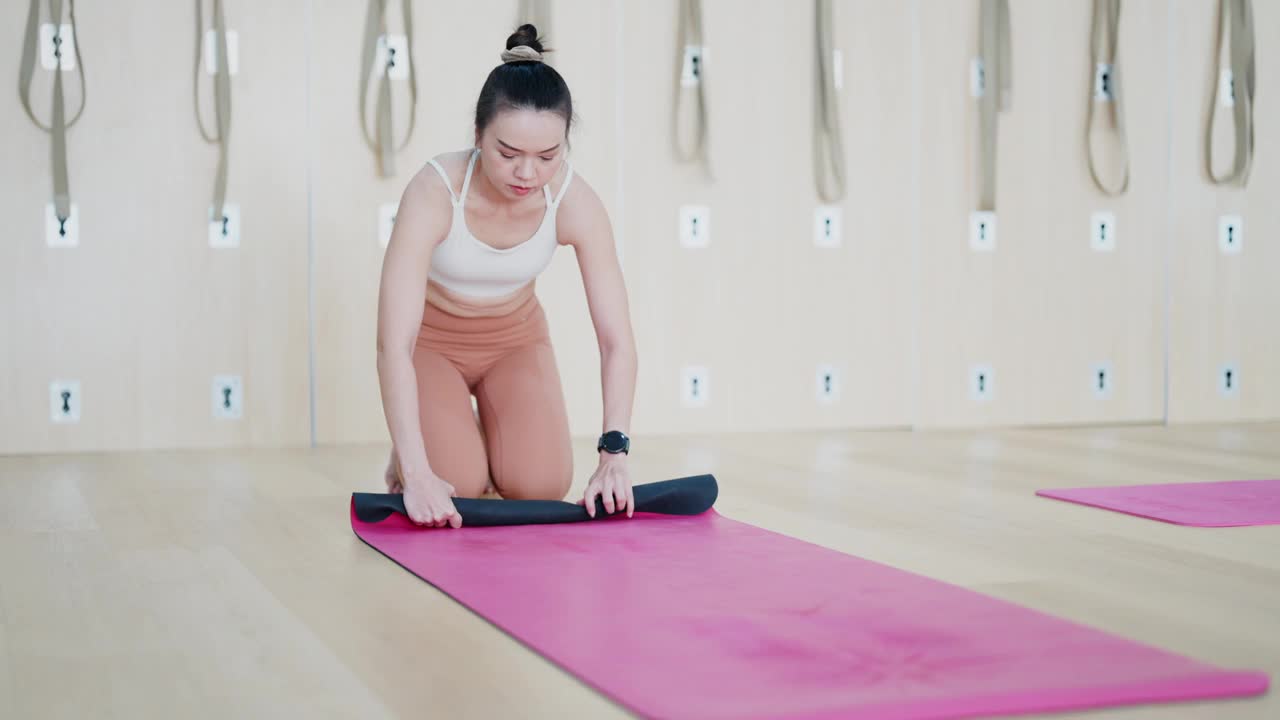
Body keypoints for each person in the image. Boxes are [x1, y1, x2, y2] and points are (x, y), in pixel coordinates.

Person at [375, 25, 638, 529]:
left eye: (547, 156)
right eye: (508, 153)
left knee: (539, 485)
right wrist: (416, 469)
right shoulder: (435, 191)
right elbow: (394, 345)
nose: (527, 173)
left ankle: (469, 432)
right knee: (458, 483)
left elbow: (617, 342)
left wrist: (614, 454)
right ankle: (426, 434)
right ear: (477, 137)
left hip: (515, 341)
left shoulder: (574, 201)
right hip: (430, 345)